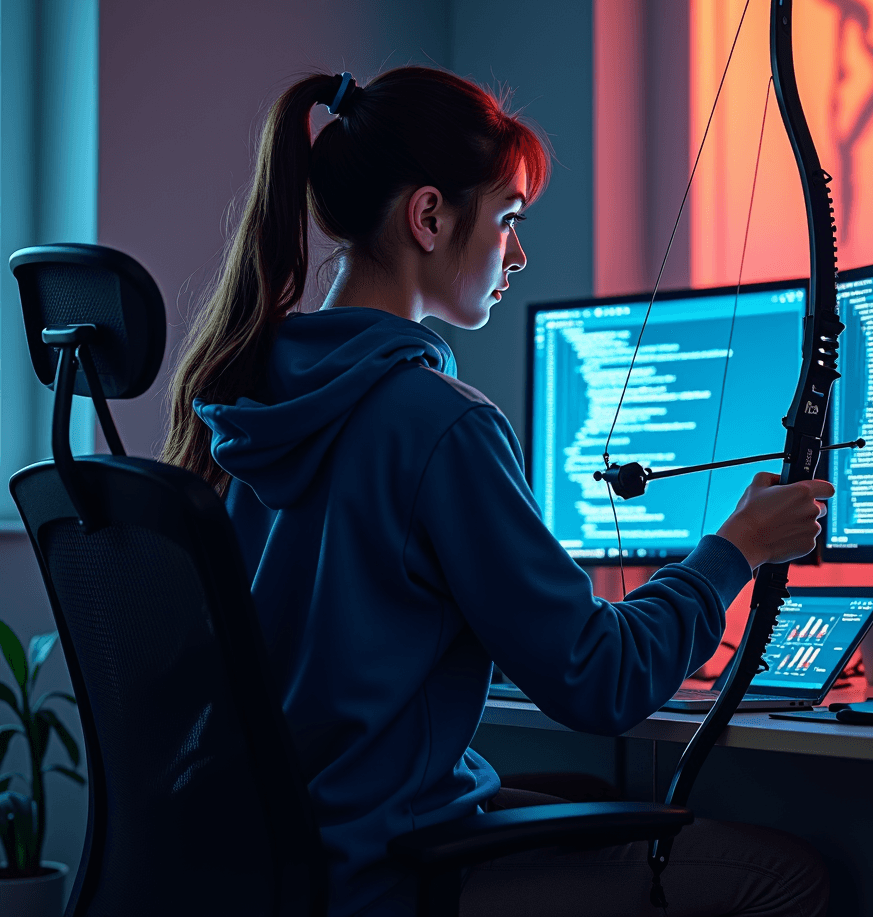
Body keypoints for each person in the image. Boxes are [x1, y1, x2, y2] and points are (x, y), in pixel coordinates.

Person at [164, 66, 832, 917]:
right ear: (430, 216)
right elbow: (603, 681)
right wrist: (737, 549)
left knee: (554, 790)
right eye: (509, 219)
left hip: (281, 865)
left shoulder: (244, 393)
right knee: (786, 878)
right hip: (385, 873)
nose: (518, 252)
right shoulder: (436, 423)